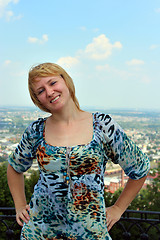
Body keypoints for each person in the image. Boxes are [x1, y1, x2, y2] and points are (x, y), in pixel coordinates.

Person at [7, 62, 150, 240]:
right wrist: (20, 205)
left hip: (90, 232)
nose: (49, 92)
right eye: (40, 91)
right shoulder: (36, 130)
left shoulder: (102, 125)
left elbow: (140, 168)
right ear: (37, 100)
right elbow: (14, 167)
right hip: (39, 232)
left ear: (66, 81)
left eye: (52, 83)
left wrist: (118, 208)